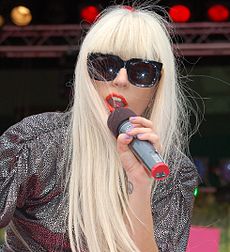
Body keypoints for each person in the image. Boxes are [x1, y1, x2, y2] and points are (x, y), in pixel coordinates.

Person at [0, 3, 199, 252]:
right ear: (85, 71)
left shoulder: (174, 172)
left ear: (158, 87)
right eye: (105, 65)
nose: (120, 80)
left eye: (142, 71)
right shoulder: (35, 143)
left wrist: (140, 185)